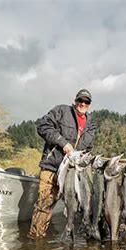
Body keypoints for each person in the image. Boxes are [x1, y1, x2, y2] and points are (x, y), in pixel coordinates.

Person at [29, 89, 96, 238]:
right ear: (75, 100)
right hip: (52, 167)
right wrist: (62, 142)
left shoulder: (90, 125)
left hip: (74, 172)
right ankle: (36, 241)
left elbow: (89, 148)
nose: (83, 104)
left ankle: (72, 232)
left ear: (89, 105)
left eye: (86, 102)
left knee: (76, 205)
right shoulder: (61, 111)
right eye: (80, 100)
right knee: (44, 205)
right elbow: (42, 126)